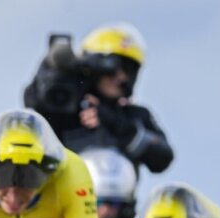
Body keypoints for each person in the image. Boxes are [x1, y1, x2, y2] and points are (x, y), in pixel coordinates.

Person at [24, 23, 174, 176]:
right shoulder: (67, 108)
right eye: (112, 68)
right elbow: (34, 102)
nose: (121, 77)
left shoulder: (135, 116)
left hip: (117, 190)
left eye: (127, 69)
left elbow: (163, 158)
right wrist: (54, 63)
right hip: (69, 190)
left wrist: (117, 124)